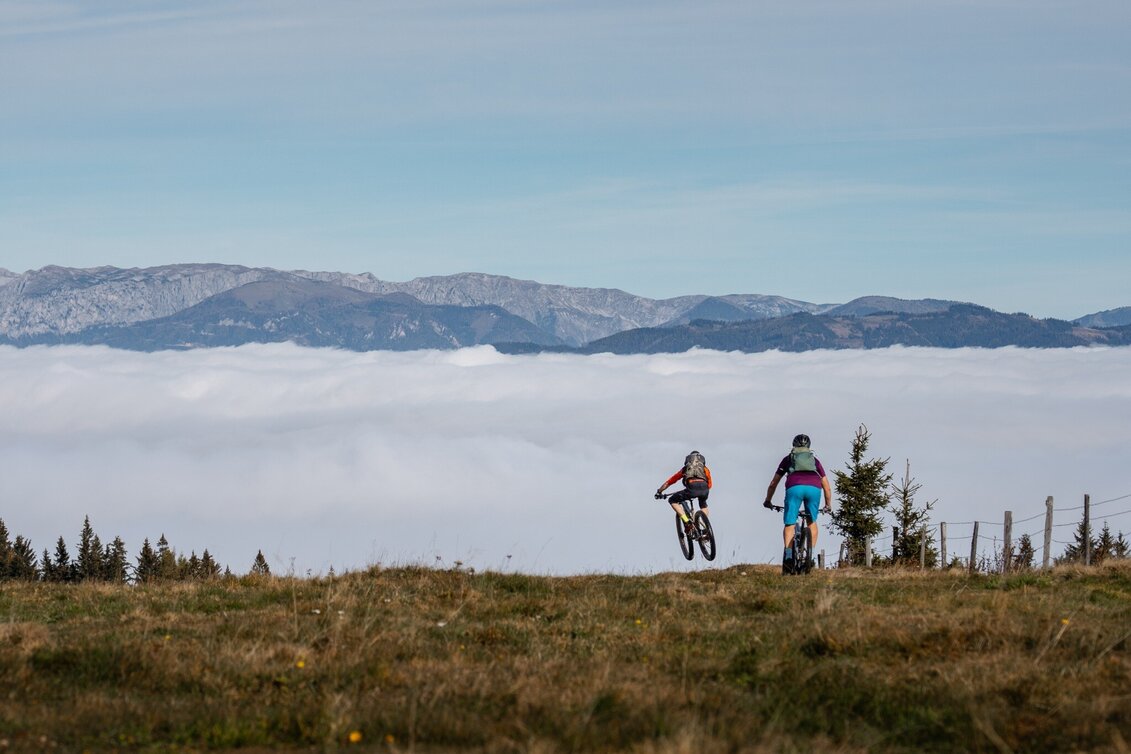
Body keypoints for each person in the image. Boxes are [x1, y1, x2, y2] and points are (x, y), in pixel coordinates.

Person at [763, 434, 833, 571]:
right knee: (812, 521)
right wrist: (828, 504)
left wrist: (768, 500)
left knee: (790, 523)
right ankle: (811, 556)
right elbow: (827, 486)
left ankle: (789, 556)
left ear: (793, 445)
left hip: (794, 488)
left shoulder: (788, 459)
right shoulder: (815, 461)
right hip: (814, 488)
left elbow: (773, 483)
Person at [656, 450, 713, 537]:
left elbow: (670, 482)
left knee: (672, 500)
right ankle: (704, 525)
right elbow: (710, 485)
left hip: (691, 489)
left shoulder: (685, 469)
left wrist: (659, 491)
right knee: (703, 505)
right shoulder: (705, 469)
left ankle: (687, 522)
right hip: (705, 489)